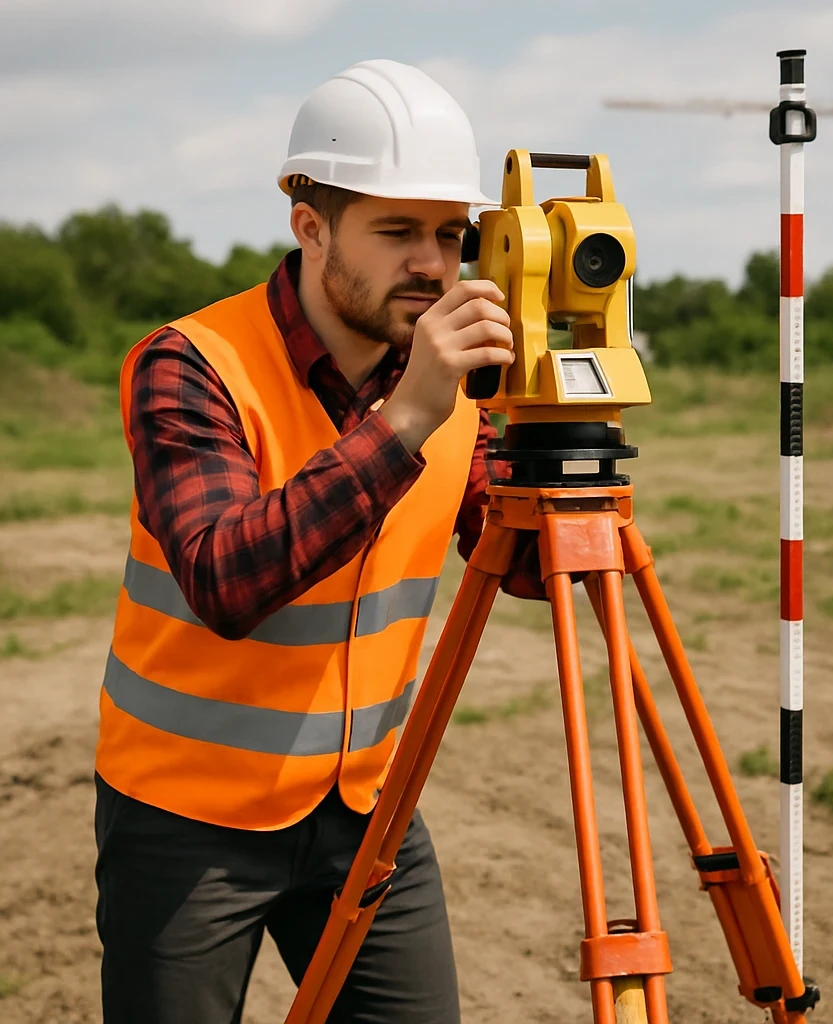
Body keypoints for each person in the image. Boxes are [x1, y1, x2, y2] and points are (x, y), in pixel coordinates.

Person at [93, 58, 533, 1024]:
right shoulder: (192, 365)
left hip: (367, 808)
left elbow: (524, 561)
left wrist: (566, 438)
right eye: (397, 231)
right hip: (186, 815)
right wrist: (406, 420)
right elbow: (225, 578)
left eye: (450, 235)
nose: (433, 264)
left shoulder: (456, 385)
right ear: (311, 226)